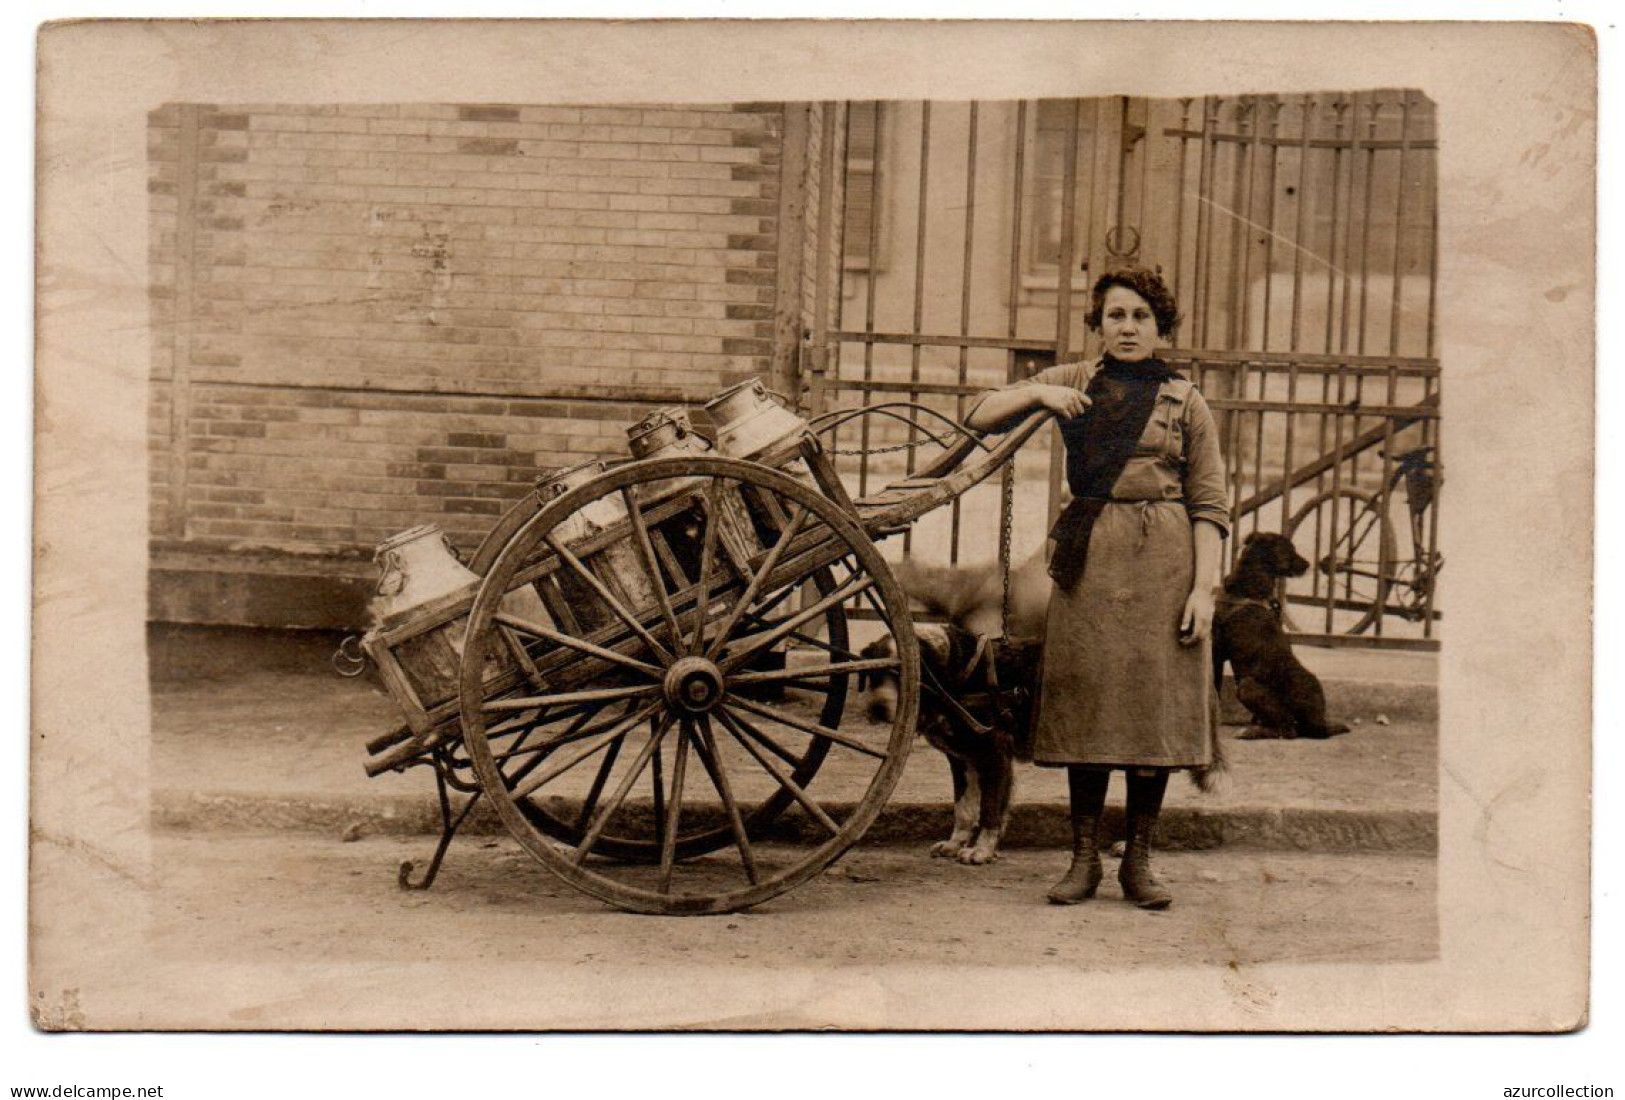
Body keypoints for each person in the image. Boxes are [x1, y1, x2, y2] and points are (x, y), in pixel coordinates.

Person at [966, 266, 1230, 909]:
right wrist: (1038, 397)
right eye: (1116, 315)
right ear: (1099, 325)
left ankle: (1138, 862)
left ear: (1160, 325)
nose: (1129, 327)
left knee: (1152, 714)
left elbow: (1211, 506)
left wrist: (1204, 592)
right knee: (1089, 709)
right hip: (1090, 562)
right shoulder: (1075, 381)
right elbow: (977, 414)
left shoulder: (1184, 400)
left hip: (1165, 568)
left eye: (1141, 316)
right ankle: (1083, 860)